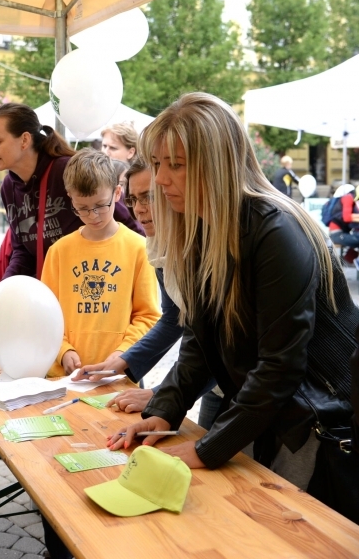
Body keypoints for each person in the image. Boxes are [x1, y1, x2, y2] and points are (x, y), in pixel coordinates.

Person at [109, 93, 357, 518]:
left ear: (216, 163)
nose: (162, 179)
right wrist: (164, 410)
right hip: (272, 417)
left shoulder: (276, 230)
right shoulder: (202, 227)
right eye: (159, 163)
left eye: (177, 164)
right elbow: (199, 339)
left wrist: (208, 447)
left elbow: (281, 364)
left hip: (317, 427)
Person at [76, 157, 222, 428]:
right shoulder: (157, 244)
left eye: (149, 197)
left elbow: (211, 341)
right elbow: (172, 319)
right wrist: (123, 360)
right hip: (216, 381)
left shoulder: (206, 245)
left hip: (249, 382)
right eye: (133, 200)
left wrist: (163, 395)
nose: (140, 210)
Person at [0, 103, 143, 281]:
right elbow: (22, 251)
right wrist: (5, 289)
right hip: (49, 293)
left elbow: (130, 227)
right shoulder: (9, 186)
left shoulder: (66, 170)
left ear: (24, 140)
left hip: (94, 286)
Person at [40, 149, 160, 379]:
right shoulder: (58, 252)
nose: (93, 215)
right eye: (82, 208)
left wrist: (123, 353)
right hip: (64, 377)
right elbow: (46, 318)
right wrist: (63, 351)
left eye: (100, 205)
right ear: (70, 198)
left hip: (117, 376)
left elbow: (148, 316)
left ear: (117, 193)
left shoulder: (139, 248)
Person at [326, 184, 359, 265]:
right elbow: (346, 217)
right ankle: (354, 259)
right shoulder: (348, 198)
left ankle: (350, 257)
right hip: (337, 234)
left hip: (342, 233)